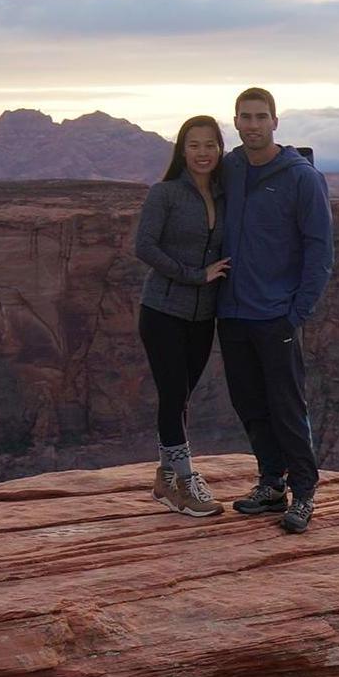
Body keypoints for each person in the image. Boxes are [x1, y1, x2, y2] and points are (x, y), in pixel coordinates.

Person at [215, 86, 334, 533]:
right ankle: (270, 483)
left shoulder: (301, 178)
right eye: (244, 117)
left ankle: (304, 493)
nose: (252, 125)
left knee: (286, 403)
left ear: (275, 122)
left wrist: (296, 312)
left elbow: (319, 250)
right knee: (249, 401)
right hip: (232, 312)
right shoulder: (231, 169)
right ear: (236, 122)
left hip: (276, 314)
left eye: (260, 117)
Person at [134, 115, 231, 517]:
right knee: (173, 394)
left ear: (220, 149)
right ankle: (187, 482)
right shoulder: (166, 194)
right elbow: (144, 246)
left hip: (203, 315)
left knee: (182, 396)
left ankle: (165, 477)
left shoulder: (227, 194)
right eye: (194, 145)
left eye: (210, 144)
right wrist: (196, 275)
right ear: (182, 150)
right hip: (162, 310)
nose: (203, 152)